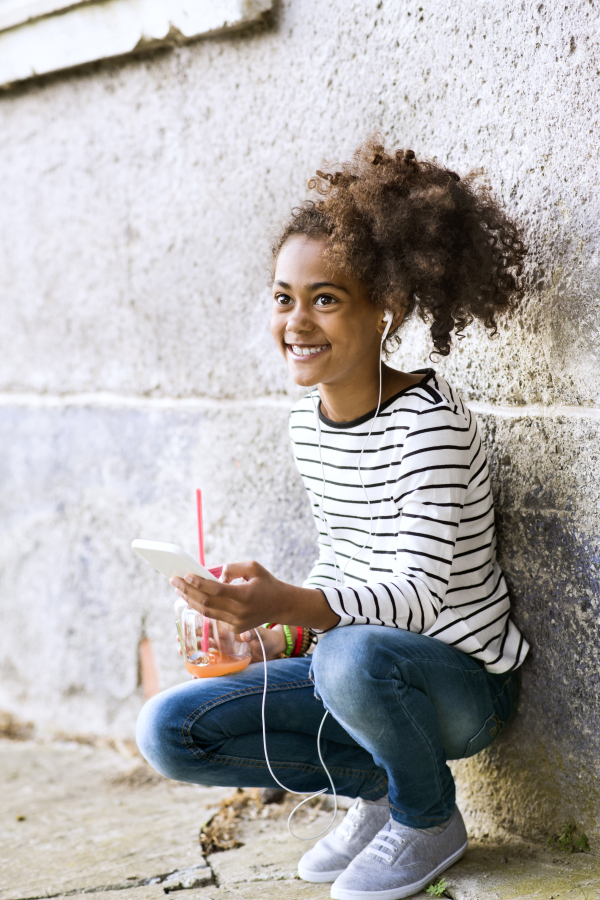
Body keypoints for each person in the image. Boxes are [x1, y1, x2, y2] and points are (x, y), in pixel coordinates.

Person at [136, 139, 529, 900]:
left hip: (457, 687)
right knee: (170, 730)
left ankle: (427, 818)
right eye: (284, 297)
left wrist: (288, 601)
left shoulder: (432, 428)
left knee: (349, 658)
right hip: (356, 667)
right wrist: (266, 631)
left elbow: (413, 599)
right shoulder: (308, 423)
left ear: (388, 307)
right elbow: (348, 565)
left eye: (326, 298)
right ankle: (379, 794)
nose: (297, 321)